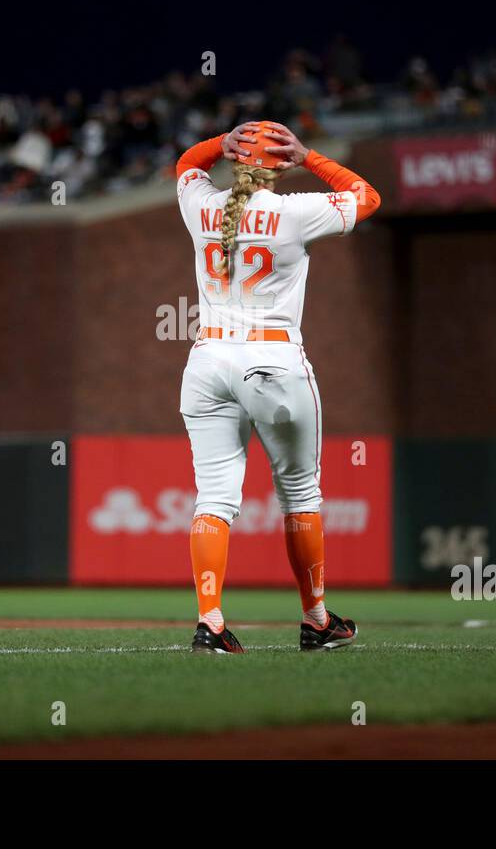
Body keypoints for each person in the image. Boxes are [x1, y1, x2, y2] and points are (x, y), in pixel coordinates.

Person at [174, 121, 381, 652]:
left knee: (213, 499)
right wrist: (311, 156)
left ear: (234, 161)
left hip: (208, 360)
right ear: (278, 166)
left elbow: (186, 166)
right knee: (300, 494)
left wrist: (217, 144)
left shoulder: (201, 206)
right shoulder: (293, 212)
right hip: (273, 360)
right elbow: (367, 197)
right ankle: (316, 619)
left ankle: (210, 624)